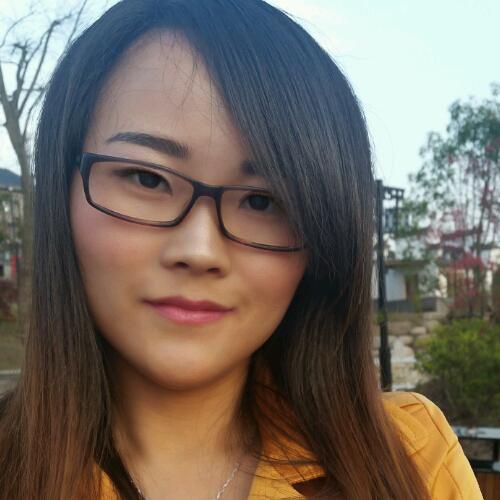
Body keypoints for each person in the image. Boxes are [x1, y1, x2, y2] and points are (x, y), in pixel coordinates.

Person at [0, 0, 483, 498]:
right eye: (147, 178)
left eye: (262, 201)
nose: (200, 250)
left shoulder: (411, 459)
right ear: (61, 190)